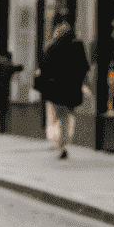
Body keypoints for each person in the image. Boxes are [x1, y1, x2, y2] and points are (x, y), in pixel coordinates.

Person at [33, 19, 91, 159]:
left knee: (58, 116)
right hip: (72, 88)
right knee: (66, 115)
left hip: (55, 90)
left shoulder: (53, 46)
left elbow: (44, 68)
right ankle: (63, 143)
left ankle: (60, 143)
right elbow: (84, 66)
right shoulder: (78, 45)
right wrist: (79, 81)